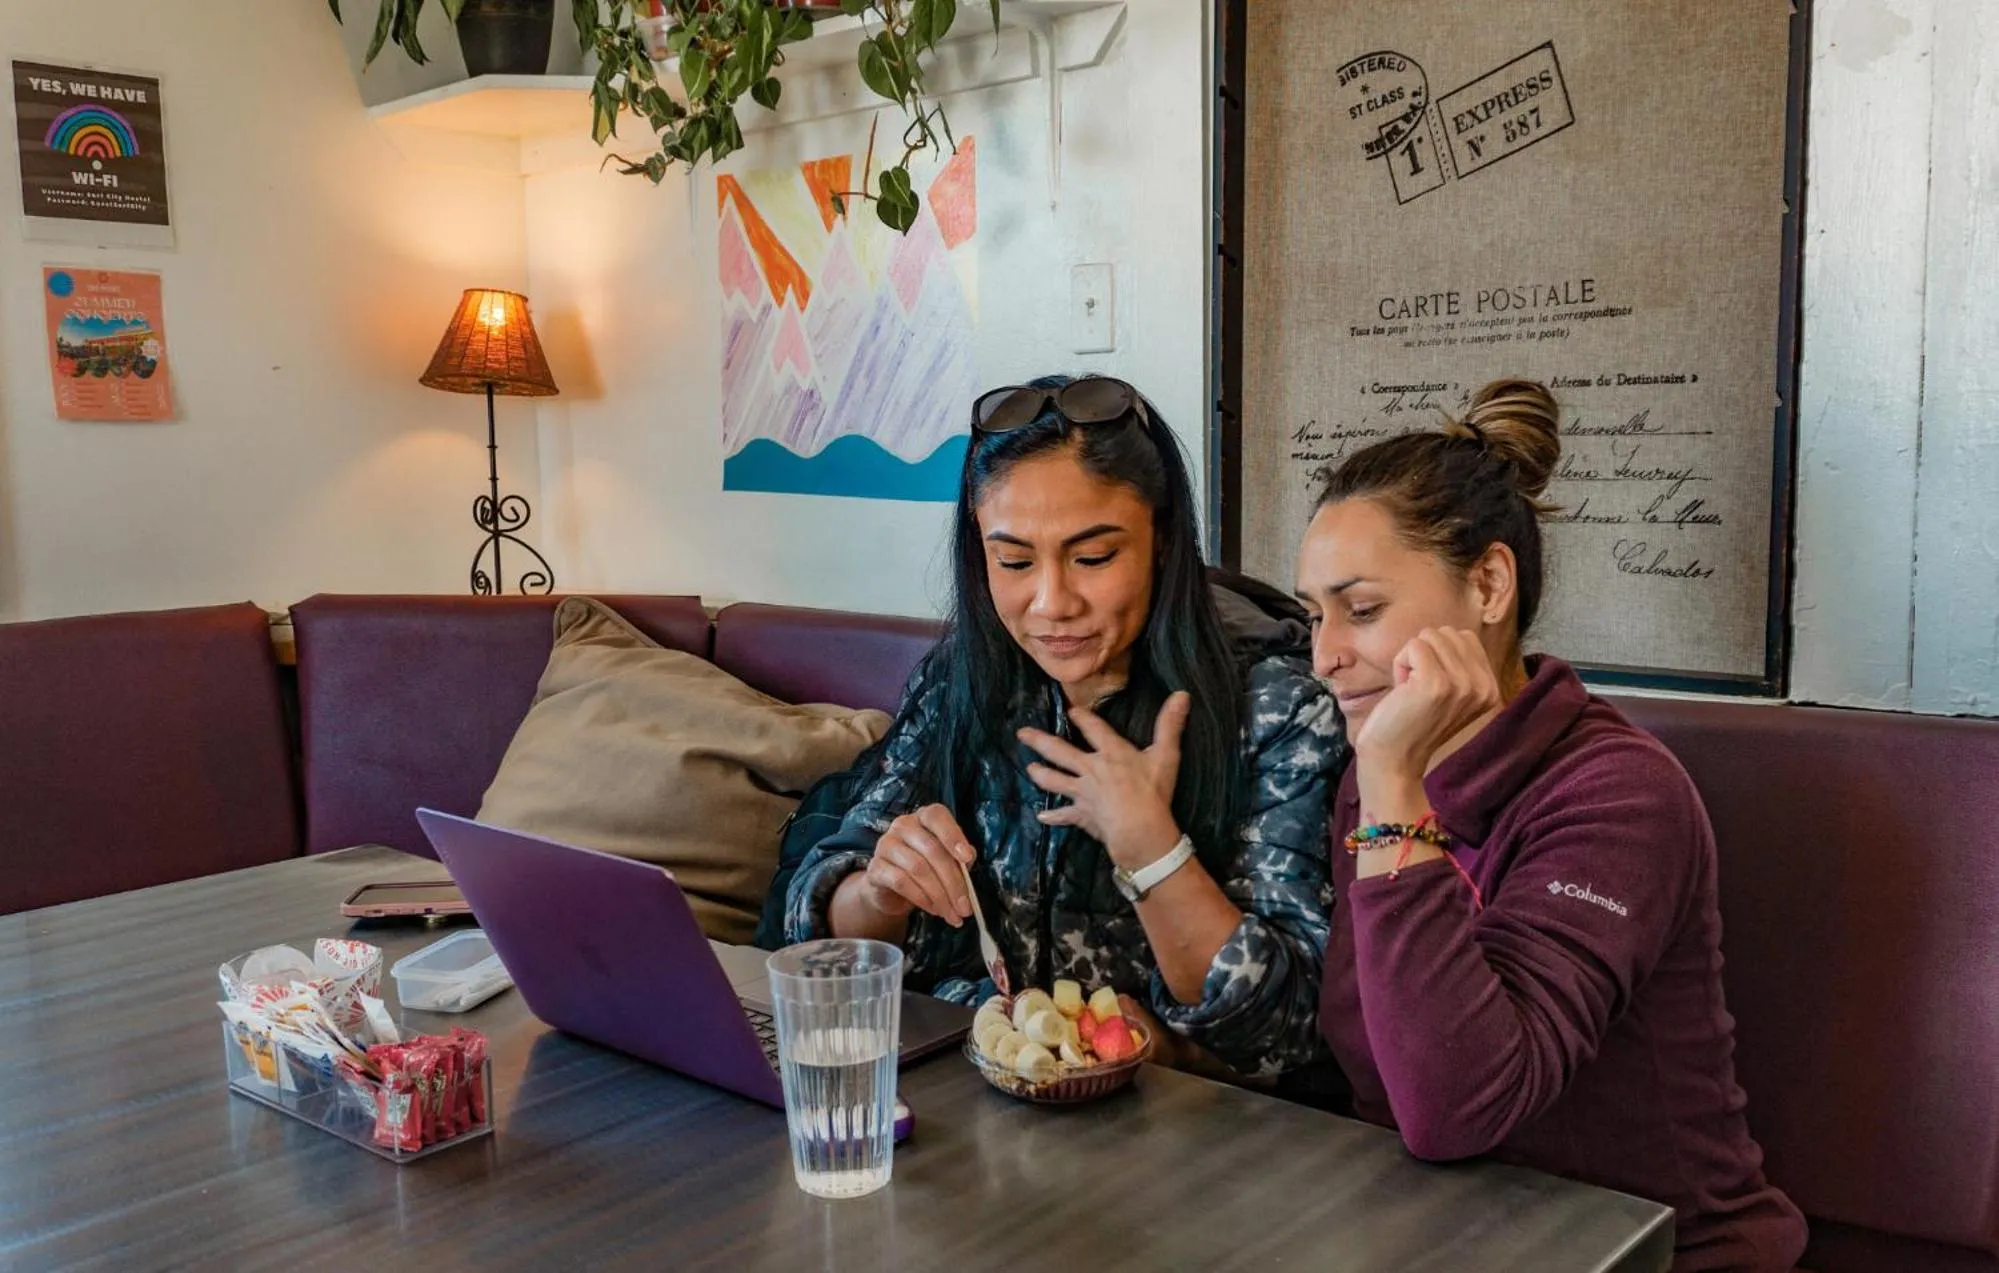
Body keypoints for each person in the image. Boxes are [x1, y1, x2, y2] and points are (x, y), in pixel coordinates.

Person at [1296, 378, 1807, 1270]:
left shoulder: (1618, 794)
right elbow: (1374, 1070)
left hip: (1658, 1250)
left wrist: (1390, 787)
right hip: (1440, 1236)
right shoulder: (1377, 776)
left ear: (1488, 584)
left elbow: (1458, 1107)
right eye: (1314, 615)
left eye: (1362, 609)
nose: (1324, 655)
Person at [784, 374, 1343, 1078]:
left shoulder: (1276, 707)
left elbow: (1290, 1031)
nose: (1051, 603)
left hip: (1181, 1117)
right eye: (1014, 561)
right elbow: (819, 929)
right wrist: (880, 890)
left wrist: (1152, 849)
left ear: (1162, 540)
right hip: (976, 1089)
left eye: (1093, 558)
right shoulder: (965, 677)